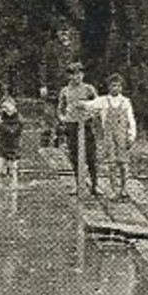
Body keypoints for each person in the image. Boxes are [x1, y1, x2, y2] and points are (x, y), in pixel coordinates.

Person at [83, 74, 137, 201]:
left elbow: (131, 120)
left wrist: (132, 136)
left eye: (118, 86)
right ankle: (113, 190)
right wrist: (78, 102)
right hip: (109, 137)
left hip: (122, 137)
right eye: (113, 86)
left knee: (123, 164)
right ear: (109, 87)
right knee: (112, 164)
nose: (115, 88)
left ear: (121, 87)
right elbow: (88, 105)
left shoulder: (126, 102)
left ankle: (124, 189)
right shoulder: (103, 101)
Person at [56, 61, 99, 195]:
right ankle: (78, 184)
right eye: (74, 75)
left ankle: (94, 185)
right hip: (71, 125)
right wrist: (63, 118)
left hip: (86, 124)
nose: (77, 77)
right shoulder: (65, 91)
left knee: (91, 155)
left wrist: (89, 111)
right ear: (69, 76)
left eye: (79, 74)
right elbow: (60, 109)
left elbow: (97, 105)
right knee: (74, 155)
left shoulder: (88, 89)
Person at [0, 96, 25, 184]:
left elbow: (12, 131)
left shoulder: (18, 118)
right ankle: (2, 184)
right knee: (1, 171)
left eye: (8, 107)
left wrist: (1, 124)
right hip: (2, 148)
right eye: (4, 108)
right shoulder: (1, 116)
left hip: (14, 148)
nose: (6, 110)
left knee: (13, 171)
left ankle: (14, 185)